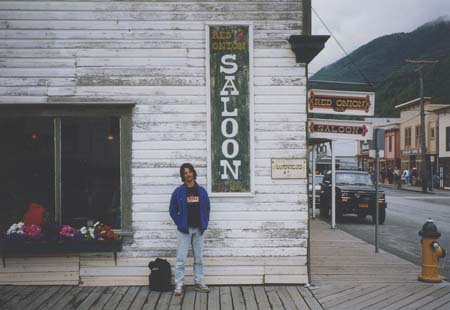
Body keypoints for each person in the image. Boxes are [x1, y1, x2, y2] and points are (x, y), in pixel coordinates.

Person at [169, 163, 211, 296]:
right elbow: (172, 209)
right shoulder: (178, 191)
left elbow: (207, 208)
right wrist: (180, 222)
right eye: (185, 173)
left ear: (193, 173)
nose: (188, 174)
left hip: (198, 230)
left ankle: (198, 282)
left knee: (198, 258)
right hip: (184, 230)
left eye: (190, 172)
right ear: (183, 176)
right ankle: (179, 284)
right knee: (181, 258)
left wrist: (205, 223)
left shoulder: (202, 191)